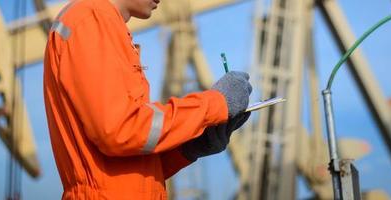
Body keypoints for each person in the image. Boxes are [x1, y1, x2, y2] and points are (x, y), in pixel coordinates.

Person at [43, 0, 252, 199]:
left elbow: (126, 163)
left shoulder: (99, 22)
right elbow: (120, 130)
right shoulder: (91, 20)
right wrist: (215, 103)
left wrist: (188, 148)